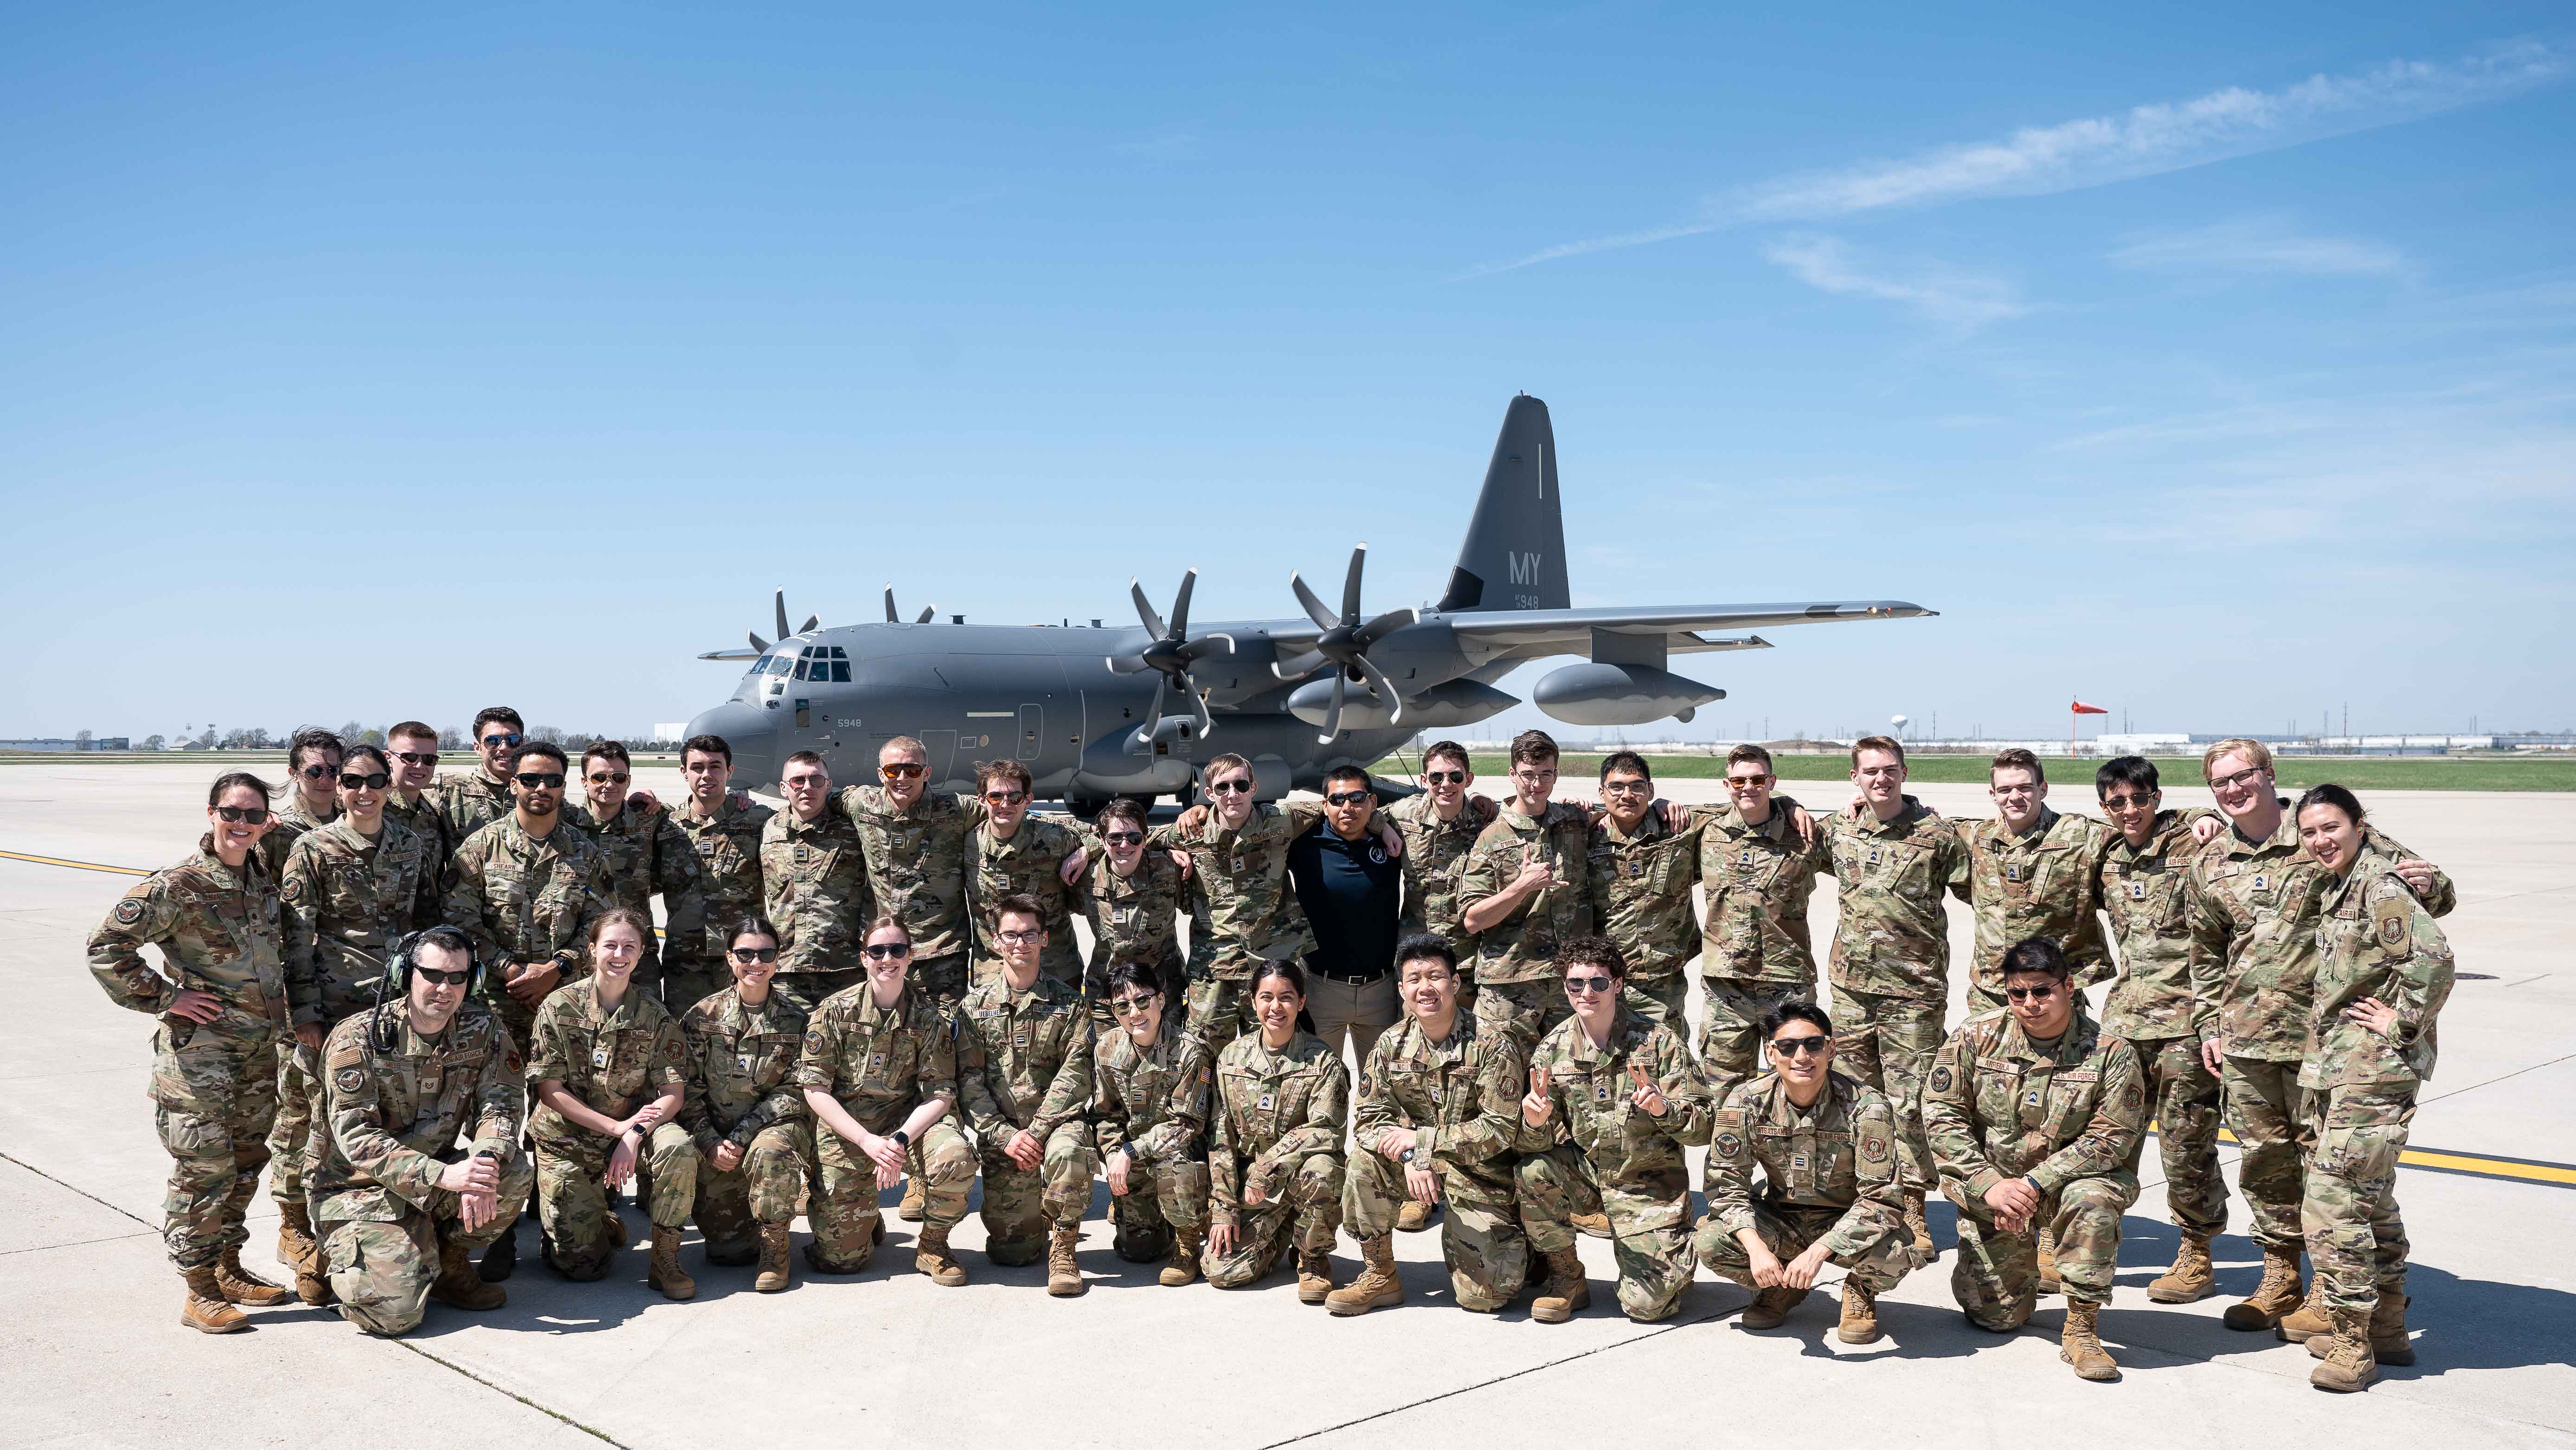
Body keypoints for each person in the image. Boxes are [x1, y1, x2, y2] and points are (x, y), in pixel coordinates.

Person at [2184, 737, 2451, 1333]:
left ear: (2268, 774)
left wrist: (2431, 885)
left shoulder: (2320, 826)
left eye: (2243, 775)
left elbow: (2430, 892)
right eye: (2220, 782)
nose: (2233, 789)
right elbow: (2203, 950)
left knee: (2331, 1169)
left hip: (2325, 1044)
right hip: (2247, 1040)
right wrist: (2208, 1023)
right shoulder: (2209, 858)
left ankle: (2338, 1291)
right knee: (2264, 1162)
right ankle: (2282, 1276)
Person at [86, 771, 297, 1332]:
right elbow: (106, 947)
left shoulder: (263, 879)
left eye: (254, 816)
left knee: (248, 1161)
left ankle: (227, 1265)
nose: (242, 824)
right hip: (199, 1056)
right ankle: (198, 1287)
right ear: (211, 813)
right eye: (232, 813)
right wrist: (166, 996)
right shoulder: (178, 885)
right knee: (202, 1169)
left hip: (259, 1052)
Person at [2288, 784, 2456, 1392]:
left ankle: (2352, 1342)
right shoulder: (2341, 882)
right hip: (2343, 1065)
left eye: (2331, 827)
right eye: (2309, 832)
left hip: (2373, 1068)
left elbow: (2433, 957)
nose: (2320, 840)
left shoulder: (2378, 884)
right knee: (2369, 1197)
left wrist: (2402, 1023)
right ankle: (2387, 1327)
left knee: (2332, 1199)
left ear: (2361, 825)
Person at [1921, 937, 2146, 1382]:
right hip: (1996, 1189)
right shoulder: (1975, 1036)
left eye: (2042, 990)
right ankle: (2013, 1263)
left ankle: (2081, 1327)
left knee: (2092, 1200)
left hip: (2068, 1186)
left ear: (2067, 987)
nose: (2030, 1003)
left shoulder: (2110, 1051)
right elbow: (1940, 1114)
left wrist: (2032, 1183)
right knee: (1996, 1317)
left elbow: (2111, 1138)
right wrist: (1988, 1183)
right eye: (2017, 993)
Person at [272, 745, 442, 1303]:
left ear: (388, 785)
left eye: (374, 780)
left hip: (393, 1010)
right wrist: (305, 1015)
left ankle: (378, 1226)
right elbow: (296, 938)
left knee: (384, 1115)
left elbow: (421, 928)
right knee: (317, 1121)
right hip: (333, 1005)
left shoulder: (409, 845)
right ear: (338, 787)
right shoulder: (312, 848)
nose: (363, 790)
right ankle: (309, 1242)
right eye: (351, 780)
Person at [440, 738, 614, 1280]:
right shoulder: (479, 848)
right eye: (531, 779)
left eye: (553, 780)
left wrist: (556, 968)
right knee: (495, 1115)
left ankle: (565, 1208)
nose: (542, 789)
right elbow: (461, 922)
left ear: (565, 786)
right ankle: (497, 1229)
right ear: (512, 783)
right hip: (495, 1005)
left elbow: (603, 927)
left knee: (564, 1109)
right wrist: (512, 969)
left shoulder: (586, 853)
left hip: (565, 1007)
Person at [309, 926, 531, 1335]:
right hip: (358, 1188)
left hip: (434, 1177)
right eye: (431, 975)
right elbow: (356, 1136)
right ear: (404, 973)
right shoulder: (358, 1037)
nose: (443, 988)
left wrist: (484, 1157)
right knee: (396, 1316)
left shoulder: (484, 1030)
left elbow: (501, 1104)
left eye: (456, 977)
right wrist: (444, 1176)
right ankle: (336, 1253)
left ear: (472, 980)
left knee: (511, 1169)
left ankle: (447, 1262)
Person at [1813, 734, 1969, 1260]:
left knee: (1912, 1105)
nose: (1880, 779)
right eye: (1870, 771)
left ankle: (1914, 1209)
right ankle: (1865, 1200)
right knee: (1856, 1102)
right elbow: (1788, 832)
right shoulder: (1836, 829)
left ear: (1905, 773)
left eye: (1889, 770)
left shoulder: (1937, 835)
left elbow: (1979, 880)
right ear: (1854, 777)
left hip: (1914, 994)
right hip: (1852, 993)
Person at [1514, 935, 1712, 1325]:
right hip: (1589, 1176)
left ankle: (1672, 1251)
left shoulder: (1659, 1042)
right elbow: (1533, 1141)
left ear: (1617, 984)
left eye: (1598, 982)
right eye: (1576, 984)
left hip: (1648, 1184)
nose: (1587, 992)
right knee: (1533, 1171)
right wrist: (1534, 1123)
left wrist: (1663, 1108)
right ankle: (1566, 1276)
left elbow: (1703, 1126)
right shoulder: (1552, 1048)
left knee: (1647, 1307)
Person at [1696, 1000, 1914, 1344]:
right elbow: (1725, 1186)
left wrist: (1818, 1252)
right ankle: (1781, 1287)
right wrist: (1756, 1248)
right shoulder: (1745, 1101)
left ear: (1830, 1048)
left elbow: (1881, 1199)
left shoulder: (1866, 1106)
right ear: (1771, 1053)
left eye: (1813, 1044)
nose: (1802, 1056)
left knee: (1896, 1253)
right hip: (1782, 1219)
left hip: (1844, 1220)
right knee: (1711, 1241)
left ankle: (1860, 1289)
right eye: (1787, 1046)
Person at [2091, 756, 2228, 1303]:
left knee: (2186, 1146)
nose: (2130, 810)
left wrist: (2207, 814)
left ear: (2156, 797)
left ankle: (2197, 1253)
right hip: (2125, 1022)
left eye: (2139, 799)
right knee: (2107, 1141)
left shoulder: (2193, 843)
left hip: (2185, 1026)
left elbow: (2247, 826)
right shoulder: (2105, 854)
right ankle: (2093, 1243)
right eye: (2116, 802)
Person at [1334, 934, 1530, 1317]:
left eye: (1435, 976)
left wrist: (1421, 1142)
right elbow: (1369, 1119)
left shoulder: (1491, 1044)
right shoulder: (1391, 1044)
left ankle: (1520, 1245)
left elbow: (1500, 1130)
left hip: (1479, 1171)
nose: (1425, 987)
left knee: (1484, 1298)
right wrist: (1411, 1154)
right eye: (1414, 978)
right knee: (1362, 1164)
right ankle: (1380, 1273)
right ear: (1402, 989)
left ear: (1454, 984)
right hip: (1417, 1164)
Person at [526, 909, 702, 1297]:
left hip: (632, 1129)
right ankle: (596, 1219)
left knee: (677, 1147)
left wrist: (634, 1133)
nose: (619, 954)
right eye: (610, 944)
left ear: (640, 955)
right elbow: (549, 1089)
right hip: (569, 1137)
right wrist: (613, 1129)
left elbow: (673, 1094)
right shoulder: (558, 1007)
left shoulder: (654, 1016)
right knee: (581, 1267)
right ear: (591, 950)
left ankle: (666, 1259)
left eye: (629, 946)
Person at [796, 914, 976, 1284]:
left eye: (897, 949)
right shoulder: (834, 1011)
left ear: (910, 956)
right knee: (841, 1261)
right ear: (864, 958)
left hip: (906, 1126)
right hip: (849, 1130)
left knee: (955, 1156)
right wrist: (866, 1140)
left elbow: (941, 1092)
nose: (887, 958)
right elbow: (815, 1089)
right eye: (877, 950)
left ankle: (933, 1246)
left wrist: (898, 1141)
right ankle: (864, 1211)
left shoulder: (928, 1016)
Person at [957, 894, 1097, 1294]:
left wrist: (1035, 1133)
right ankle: (1035, 1224)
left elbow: (1076, 1075)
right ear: (996, 941)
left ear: (1045, 939)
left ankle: (1065, 1247)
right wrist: (1005, 1135)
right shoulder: (974, 1006)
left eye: (1030, 934)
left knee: (1070, 1151)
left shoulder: (1070, 1004)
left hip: (1053, 1128)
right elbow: (969, 1081)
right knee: (1012, 1252)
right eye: (1011, 935)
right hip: (1004, 1134)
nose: (1021, 943)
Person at [1150, 754, 1317, 1077]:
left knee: (1278, 1061)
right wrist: (1170, 850)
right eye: (1222, 787)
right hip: (1214, 973)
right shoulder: (1191, 831)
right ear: (1210, 793)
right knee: (1202, 1064)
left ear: (1253, 788)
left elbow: (1339, 808)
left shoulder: (1281, 819)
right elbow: (1131, 838)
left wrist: (1381, 825)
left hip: (1269, 970)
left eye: (1241, 785)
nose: (1232, 794)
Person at [677, 915, 813, 1293]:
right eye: (746, 953)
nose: (756, 962)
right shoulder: (702, 1016)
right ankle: (755, 1221)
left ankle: (775, 1249)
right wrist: (708, 1140)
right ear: (730, 958)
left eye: (766, 953)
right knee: (727, 1251)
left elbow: (794, 1090)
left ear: (778, 958)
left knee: (771, 1151)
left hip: (769, 1131)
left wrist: (740, 1136)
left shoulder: (797, 1019)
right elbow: (684, 1086)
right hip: (714, 1136)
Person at [1689, 744, 1827, 1100]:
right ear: (1726, 784)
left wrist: (1789, 805)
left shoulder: (1805, 836)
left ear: (1772, 781)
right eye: (1738, 780)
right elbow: (1648, 815)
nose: (1747, 787)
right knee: (1722, 1095)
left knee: (1798, 1089)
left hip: (1786, 986)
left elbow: (1864, 831)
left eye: (1757, 779)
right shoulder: (1707, 832)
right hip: (1725, 989)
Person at [1206, 960, 1349, 1301]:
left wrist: (1267, 1168)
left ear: (1301, 1002)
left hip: (1299, 1179)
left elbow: (1326, 1130)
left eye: (1286, 997)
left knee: (1324, 1169)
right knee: (1222, 1272)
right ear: (1252, 1002)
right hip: (1251, 1189)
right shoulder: (1230, 1058)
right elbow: (1220, 1136)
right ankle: (1281, 1233)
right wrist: (1225, 1207)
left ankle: (1312, 1257)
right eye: (1266, 997)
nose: (1276, 1007)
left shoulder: (1322, 1061)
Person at [1456, 730, 1595, 1053]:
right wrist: (1520, 887)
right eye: (1528, 775)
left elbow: (1625, 813)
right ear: (1512, 774)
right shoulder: (1492, 837)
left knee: (1569, 1079)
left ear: (1556, 774)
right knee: (1501, 1083)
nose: (1536, 784)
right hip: (1509, 986)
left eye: (1545, 774)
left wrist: (1660, 803)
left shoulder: (1574, 823)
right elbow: (1472, 920)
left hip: (1568, 982)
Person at [1952, 749, 2114, 1015]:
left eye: (2025, 788)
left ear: (2043, 789)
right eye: (2005, 790)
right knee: (1987, 1058)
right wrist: (1864, 805)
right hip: (1992, 992)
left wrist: (2199, 816)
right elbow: (1919, 824)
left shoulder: (2079, 834)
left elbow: (2142, 826)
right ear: (1993, 795)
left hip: (2053, 992)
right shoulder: (1976, 836)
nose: (2015, 797)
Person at [1090, 959, 1213, 1285]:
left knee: (1178, 1161)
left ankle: (1188, 1244)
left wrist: (1130, 1150)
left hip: (1180, 1153)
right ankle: (1151, 1216)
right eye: (1122, 1006)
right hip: (1133, 1157)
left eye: (1142, 1000)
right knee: (1138, 1251)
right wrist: (1114, 1152)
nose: (1134, 1012)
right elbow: (1105, 1113)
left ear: (1160, 999)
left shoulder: (1190, 1051)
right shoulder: (1107, 1048)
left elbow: (1187, 1124)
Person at [564, 740, 708, 1005]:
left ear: (628, 781)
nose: (610, 784)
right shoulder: (564, 823)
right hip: (579, 954)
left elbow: (698, 817)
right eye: (599, 777)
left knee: (644, 1031)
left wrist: (739, 801)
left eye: (618, 778)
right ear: (584, 781)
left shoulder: (650, 818)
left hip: (637, 954)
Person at [1289, 765, 1406, 1064]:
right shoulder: (1304, 842)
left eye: (1357, 798)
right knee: (1321, 1087)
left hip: (1380, 991)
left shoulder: (1392, 842)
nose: (1348, 807)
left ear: (1373, 802)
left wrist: (1381, 825)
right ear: (1324, 805)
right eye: (1338, 800)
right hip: (1321, 990)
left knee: (1381, 1088)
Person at [1580, 750, 1706, 1026]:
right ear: (1602, 793)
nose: (1627, 795)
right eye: (1616, 787)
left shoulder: (1679, 827)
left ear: (1650, 790)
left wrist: (1787, 805)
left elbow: (1743, 809)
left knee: (1666, 1058)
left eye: (1637, 786)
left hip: (1663, 982)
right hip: (1603, 977)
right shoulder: (1583, 835)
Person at [760, 750, 876, 1014]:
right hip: (786, 969)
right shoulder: (765, 829)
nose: (807, 788)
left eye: (817, 781)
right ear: (783, 788)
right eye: (798, 781)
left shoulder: (854, 830)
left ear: (829, 785)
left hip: (845, 969)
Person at [667, 733, 774, 1014]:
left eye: (715, 766)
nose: (707, 775)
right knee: (686, 1040)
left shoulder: (758, 820)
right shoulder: (666, 825)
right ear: (683, 772)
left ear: (730, 771)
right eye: (697, 768)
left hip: (744, 960)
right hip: (685, 960)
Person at [963, 759, 1092, 987]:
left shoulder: (1053, 837)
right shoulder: (968, 841)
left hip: (1054, 966)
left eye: (1015, 798)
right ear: (982, 800)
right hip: (994, 968)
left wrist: (1087, 851)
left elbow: (1115, 834)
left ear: (1028, 800)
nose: (1005, 804)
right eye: (996, 797)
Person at [1380, 740, 1496, 962]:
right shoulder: (1403, 814)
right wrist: (1383, 827)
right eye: (1436, 777)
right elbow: (1362, 813)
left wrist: (1576, 808)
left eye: (1456, 777)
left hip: (1466, 957)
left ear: (1468, 780)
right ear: (1424, 780)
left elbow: (1525, 812)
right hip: (1413, 953)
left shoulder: (1487, 820)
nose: (1446, 784)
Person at [1078, 797, 1189, 1025]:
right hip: (1106, 992)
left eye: (1134, 838)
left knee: (1165, 1056)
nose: (1125, 846)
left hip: (1162, 990)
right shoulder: (1085, 876)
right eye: (1115, 838)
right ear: (1102, 840)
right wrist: (1085, 851)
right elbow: (1055, 828)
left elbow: (1205, 834)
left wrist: (1195, 811)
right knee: (1107, 1057)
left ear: (1145, 839)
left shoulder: (1168, 870)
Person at [432, 706, 527, 856]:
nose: (504, 747)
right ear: (477, 747)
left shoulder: (537, 790)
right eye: (493, 741)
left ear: (523, 744)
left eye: (513, 740)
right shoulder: (450, 791)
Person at [381, 720, 456, 877]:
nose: (419, 766)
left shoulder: (434, 814)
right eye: (409, 757)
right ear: (388, 758)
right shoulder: (374, 808)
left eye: (429, 759)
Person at [265, 726, 346, 873]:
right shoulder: (279, 831)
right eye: (315, 772)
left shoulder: (352, 822)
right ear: (294, 774)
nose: (325, 780)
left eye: (334, 771)